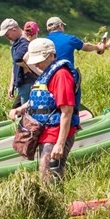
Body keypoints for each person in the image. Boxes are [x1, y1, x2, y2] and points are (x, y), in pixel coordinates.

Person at [9, 38, 80, 182]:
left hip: (56, 132)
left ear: (50, 55)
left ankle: (56, 203)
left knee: (49, 176)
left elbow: (67, 111)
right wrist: (21, 108)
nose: (36, 64)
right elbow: (42, 97)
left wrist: (60, 144)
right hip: (45, 131)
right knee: (44, 174)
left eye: (39, 59)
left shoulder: (61, 75)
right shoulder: (47, 72)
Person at [0, 18, 36, 105]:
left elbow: (18, 59)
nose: (6, 37)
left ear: (14, 29)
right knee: (16, 111)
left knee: (24, 112)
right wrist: (12, 85)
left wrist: (27, 67)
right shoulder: (15, 43)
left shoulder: (25, 42)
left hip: (27, 81)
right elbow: (15, 64)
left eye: (7, 34)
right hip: (19, 82)